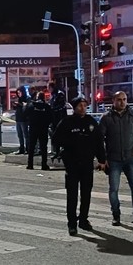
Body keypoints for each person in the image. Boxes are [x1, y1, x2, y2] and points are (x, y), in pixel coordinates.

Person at [97, 91, 133, 226]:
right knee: (113, 189)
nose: (122, 102)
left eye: (124, 99)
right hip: (114, 159)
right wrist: (103, 159)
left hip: (130, 158)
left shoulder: (132, 116)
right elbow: (99, 139)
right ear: (113, 101)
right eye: (119, 100)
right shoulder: (106, 118)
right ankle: (116, 214)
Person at [53, 97, 104, 236]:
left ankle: (83, 220)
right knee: (72, 195)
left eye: (85, 105)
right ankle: (72, 223)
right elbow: (56, 139)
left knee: (86, 194)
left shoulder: (91, 122)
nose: (83, 108)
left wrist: (102, 160)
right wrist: (72, 142)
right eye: (80, 105)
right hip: (72, 164)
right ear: (74, 107)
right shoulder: (67, 122)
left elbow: (99, 142)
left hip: (87, 163)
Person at [27, 92, 52, 170]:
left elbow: (25, 114)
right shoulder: (47, 106)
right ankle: (44, 164)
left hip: (33, 128)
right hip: (43, 129)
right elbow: (51, 117)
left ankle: (30, 164)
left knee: (31, 146)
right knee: (43, 147)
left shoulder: (31, 106)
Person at [48, 84, 68, 160]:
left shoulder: (60, 94)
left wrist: (53, 109)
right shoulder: (53, 95)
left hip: (60, 118)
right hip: (54, 119)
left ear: (52, 87)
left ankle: (62, 152)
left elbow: (61, 106)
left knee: (61, 136)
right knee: (55, 136)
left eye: (49, 88)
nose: (48, 89)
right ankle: (56, 152)